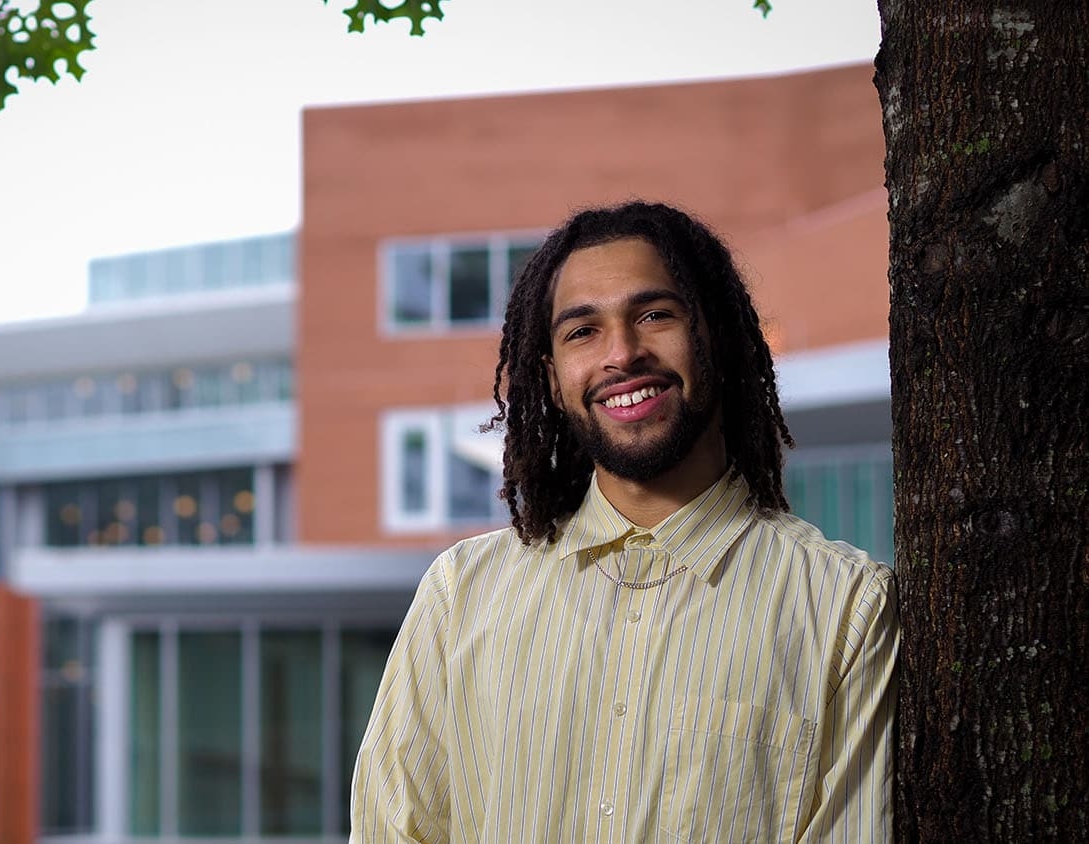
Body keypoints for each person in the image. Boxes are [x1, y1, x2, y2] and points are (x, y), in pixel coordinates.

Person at [351, 201, 896, 842]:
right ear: (553, 380)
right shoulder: (459, 599)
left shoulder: (845, 610)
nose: (622, 354)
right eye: (582, 331)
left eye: (655, 315)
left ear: (713, 337)